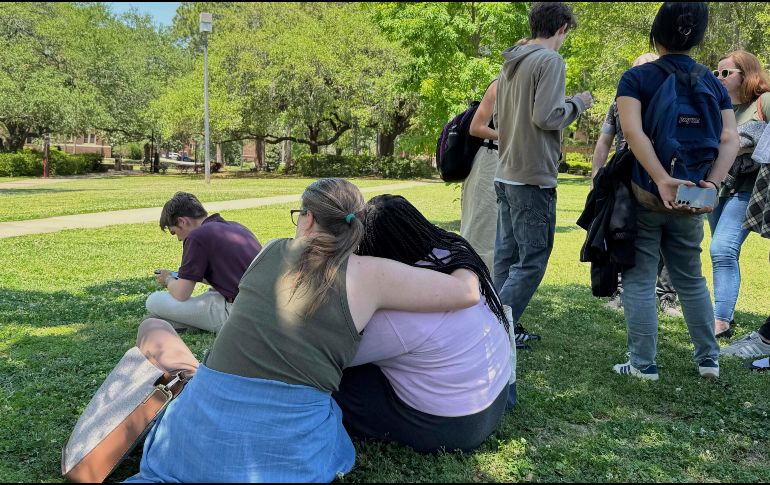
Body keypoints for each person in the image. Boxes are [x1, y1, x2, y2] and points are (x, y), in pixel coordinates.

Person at [123, 178, 484, 482]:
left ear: (308, 219)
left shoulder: (271, 251)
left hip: (195, 435)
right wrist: (459, 249)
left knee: (153, 326)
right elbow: (467, 292)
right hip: (286, 454)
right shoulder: (375, 275)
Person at [613, 2, 738, 381]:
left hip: (647, 193)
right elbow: (729, 138)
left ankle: (643, 364)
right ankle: (708, 359)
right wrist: (712, 184)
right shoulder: (713, 83)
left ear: (657, 31)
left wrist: (661, 179)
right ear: (698, 36)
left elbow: (633, 133)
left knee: (638, 277)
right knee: (691, 278)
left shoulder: (636, 79)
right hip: (693, 196)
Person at [333, 194, 514, 454]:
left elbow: (336, 358)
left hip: (454, 425)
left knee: (337, 382)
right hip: (496, 397)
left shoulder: (399, 312)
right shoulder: (457, 259)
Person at [493, 2, 593, 343]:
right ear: (562, 28)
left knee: (506, 258)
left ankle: (489, 323)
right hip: (531, 174)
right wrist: (579, 102)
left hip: (505, 171)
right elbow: (547, 117)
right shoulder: (550, 60)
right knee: (533, 259)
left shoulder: (512, 61)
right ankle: (489, 330)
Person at [592, 52, 683, 318]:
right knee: (623, 233)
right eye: (637, 69)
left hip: (660, 177)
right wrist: (597, 174)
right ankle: (621, 291)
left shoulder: (671, 100)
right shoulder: (619, 102)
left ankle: (667, 297)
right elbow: (604, 140)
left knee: (667, 238)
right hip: (624, 176)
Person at [707, 50, 770, 339]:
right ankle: (721, 313)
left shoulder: (763, 102)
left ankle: (721, 319)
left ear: (746, 75)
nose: (718, 78)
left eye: (725, 73)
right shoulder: (719, 107)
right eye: (716, 73)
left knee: (722, 249)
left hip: (748, 189)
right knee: (720, 252)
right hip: (719, 187)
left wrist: (749, 144)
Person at [145, 192, 262, 333]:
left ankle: (183, 323)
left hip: (240, 314)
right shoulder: (236, 227)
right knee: (209, 295)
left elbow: (182, 293)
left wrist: (168, 279)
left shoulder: (196, 236)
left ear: (182, 221)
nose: (178, 239)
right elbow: (233, 275)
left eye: (174, 232)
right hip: (262, 307)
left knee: (154, 300)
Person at [462, 79, 499, 273]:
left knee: (498, 233)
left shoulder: (534, 86)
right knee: (480, 230)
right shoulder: (499, 84)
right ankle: (473, 287)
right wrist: (512, 136)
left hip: (510, 164)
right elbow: (476, 127)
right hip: (489, 163)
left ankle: (494, 291)